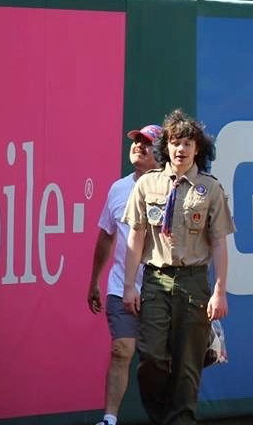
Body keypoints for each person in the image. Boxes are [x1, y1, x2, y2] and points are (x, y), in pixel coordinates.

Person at [122, 110, 235, 425]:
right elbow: (136, 236)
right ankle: (163, 417)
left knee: (188, 365)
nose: (180, 149)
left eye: (187, 143)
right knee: (151, 358)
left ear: (197, 148)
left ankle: (180, 419)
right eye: (175, 142)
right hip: (156, 280)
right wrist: (129, 285)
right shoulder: (147, 185)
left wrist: (220, 291)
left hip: (193, 282)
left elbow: (220, 243)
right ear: (166, 147)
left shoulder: (210, 189)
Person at [88, 123, 161, 425]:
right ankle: (110, 419)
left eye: (147, 143)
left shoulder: (172, 187)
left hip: (161, 288)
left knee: (157, 363)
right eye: (136, 141)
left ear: (162, 153)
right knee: (121, 350)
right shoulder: (118, 189)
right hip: (121, 286)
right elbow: (106, 236)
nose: (138, 147)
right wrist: (94, 281)